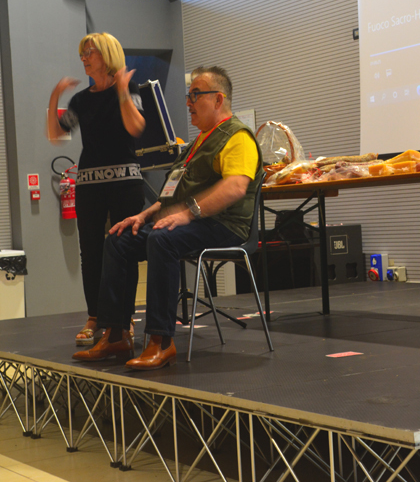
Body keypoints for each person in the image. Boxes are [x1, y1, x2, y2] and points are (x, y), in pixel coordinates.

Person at [72, 66, 264, 370]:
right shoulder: (199, 142)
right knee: (119, 239)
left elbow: (235, 187)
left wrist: (189, 213)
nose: (188, 102)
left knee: (163, 240)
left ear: (218, 99)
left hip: (224, 225)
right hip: (191, 222)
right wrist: (142, 215)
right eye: (188, 95)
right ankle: (116, 334)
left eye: (195, 95)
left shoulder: (237, 137)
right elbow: (171, 192)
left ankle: (161, 341)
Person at [47, 33, 145, 346]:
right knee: (90, 253)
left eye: (89, 52)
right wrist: (55, 98)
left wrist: (122, 92)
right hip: (89, 184)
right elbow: (55, 135)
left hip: (125, 182)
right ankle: (94, 317)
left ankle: (125, 319)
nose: (84, 58)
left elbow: (135, 128)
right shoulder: (81, 99)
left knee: (125, 249)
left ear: (107, 54)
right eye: (82, 54)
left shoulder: (129, 88)